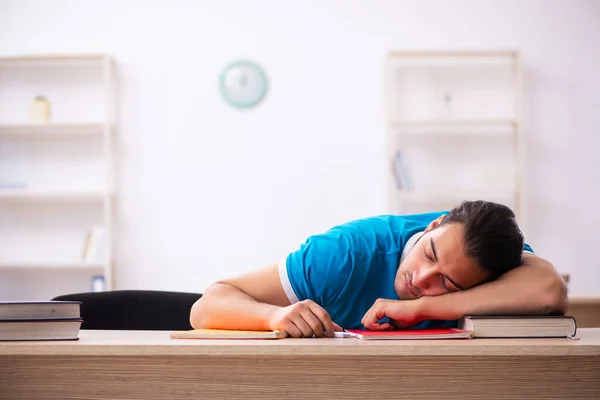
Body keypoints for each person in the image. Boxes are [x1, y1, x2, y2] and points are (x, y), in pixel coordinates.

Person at [190, 200, 568, 338]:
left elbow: (550, 291)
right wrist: (275, 315)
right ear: (434, 225)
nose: (420, 279)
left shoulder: (493, 256)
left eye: (448, 283)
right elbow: (207, 305)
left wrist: (418, 308)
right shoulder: (346, 253)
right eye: (430, 254)